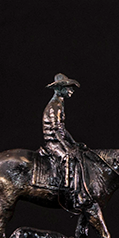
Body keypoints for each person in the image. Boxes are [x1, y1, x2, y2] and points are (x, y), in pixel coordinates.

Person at [39, 73, 89, 209]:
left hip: (58, 139)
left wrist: (73, 143)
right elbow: (55, 131)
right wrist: (67, 147)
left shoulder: (60, 104)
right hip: (53, 142)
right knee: (68, 157)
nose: (71, 91)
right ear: (59, 89)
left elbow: (62, 129)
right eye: (68, 88)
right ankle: (67, 189)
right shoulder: (55, 105)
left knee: (77, 153)